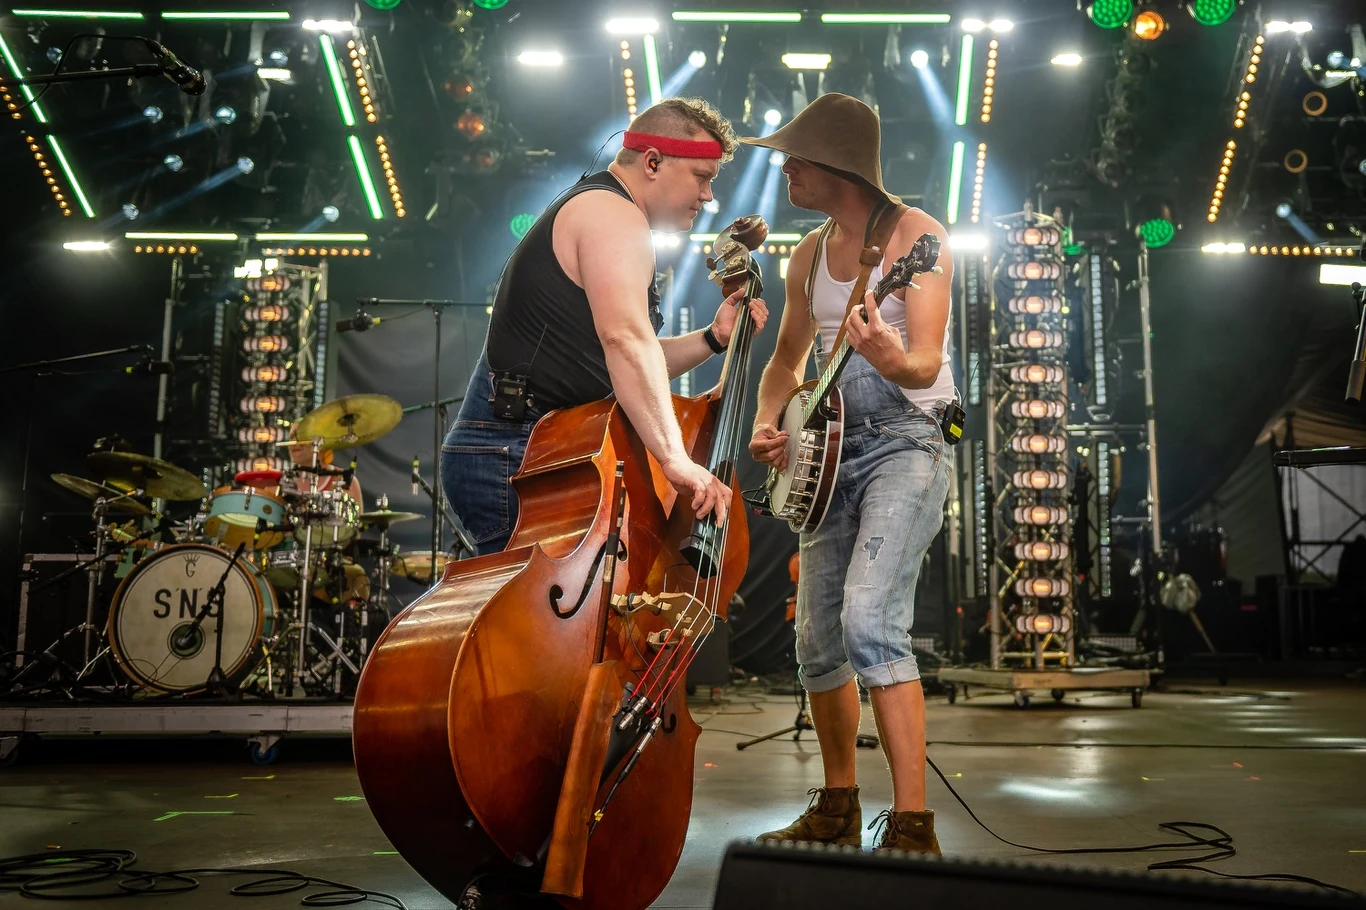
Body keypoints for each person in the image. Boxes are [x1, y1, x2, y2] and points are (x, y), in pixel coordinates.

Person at [746, 93, 956, 854]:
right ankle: (837, 807)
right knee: (815, 642)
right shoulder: (805, 253)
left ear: (833, 165)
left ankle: (912, 825)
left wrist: (891, 359)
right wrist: (771, 427)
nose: (784, 169)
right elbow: (784, 362)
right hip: (828, 448)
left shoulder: (916, 238)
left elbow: (926, 362)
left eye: (794, 158)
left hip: (909, 439)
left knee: (870, 622)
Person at [442, 98, 768, 556]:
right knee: (541, 627)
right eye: (702, 177)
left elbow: (630, 356)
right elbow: (626, 343)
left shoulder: (610, 210)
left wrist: (712, 338)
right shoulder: (612, 214)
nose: (709, 195)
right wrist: (675, 461)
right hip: (516, 452)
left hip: (529, 448)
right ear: (653, 162)